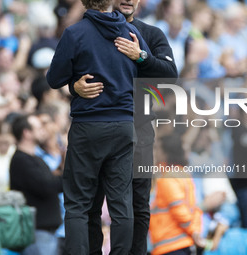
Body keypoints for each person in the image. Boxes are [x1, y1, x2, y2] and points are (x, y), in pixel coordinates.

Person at [46, 0, 152, 253]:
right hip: (125, 125)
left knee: (78, 204)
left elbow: (54, 78)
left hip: (89, 125)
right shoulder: (131, 32)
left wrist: (73, 85)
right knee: (121, 203)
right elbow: (149, 71)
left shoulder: (75, 33)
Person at [73, 0, 177, 253]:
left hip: (139, 131)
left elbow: (170, 74)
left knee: (138, 204)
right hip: (96, 127)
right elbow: (68, 71)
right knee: (90, 204)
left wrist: (140, 56)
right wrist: (73, 86)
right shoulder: (87, 30)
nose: (128, 0)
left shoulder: (151, 34)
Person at [9, 114, 63, 255]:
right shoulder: (21, 160)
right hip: (37, 232)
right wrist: (68, 178)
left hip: (47, 233)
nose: (42, 130)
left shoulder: (35, 159)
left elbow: (50, 180)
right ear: (26, 133)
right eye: (38, 127)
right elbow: (46, 186)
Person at [149, 134, 205, 255]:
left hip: (170, 245)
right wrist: (195, 231)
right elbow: (194, 208)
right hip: (181, 243)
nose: (155, 152)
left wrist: (193, 232)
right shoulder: (183, 174)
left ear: (165, 153)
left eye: (157, 148)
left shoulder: (168, 178)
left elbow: (179, 209)